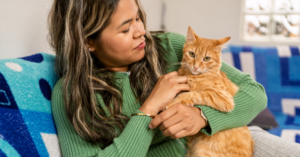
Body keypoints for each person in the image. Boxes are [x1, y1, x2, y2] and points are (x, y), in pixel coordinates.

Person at [49, 0, 300, 156]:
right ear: (88, 41)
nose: (140, 32)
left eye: (138, 18)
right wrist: (148, 110)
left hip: (231, 139)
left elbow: (254, 92)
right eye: (125, 28)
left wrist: (201, 116)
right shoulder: (72, 93)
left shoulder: (169, 46)